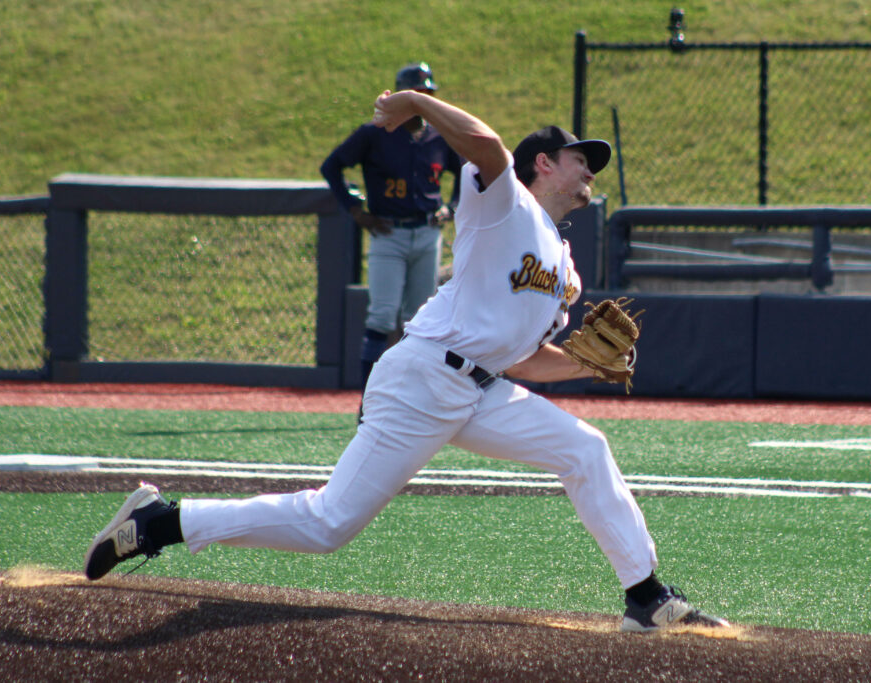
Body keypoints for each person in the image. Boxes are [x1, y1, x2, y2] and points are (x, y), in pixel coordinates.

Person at [83, 87, 730, 633]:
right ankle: (162, 522)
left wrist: (586, 365)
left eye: (593, 162)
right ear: (543, 163)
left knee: (584, 449)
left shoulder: (566, 273)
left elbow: (527, 360)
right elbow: (485, 146)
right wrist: (416, 101)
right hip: (422, 377)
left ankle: (645, 597)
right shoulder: (505, 204)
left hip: (480, 391)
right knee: (327, 524)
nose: (590, 168)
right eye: (579, 157)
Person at [320, 62, 461, 397]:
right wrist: (355, 210)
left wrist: (451, 207)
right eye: (415, 93)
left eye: (427, 93)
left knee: (419, 319)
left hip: (427, 232)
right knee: (382, 316)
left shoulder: (439, 133)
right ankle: (369, 397)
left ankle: (410, 394)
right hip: (388, 233)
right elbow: (332, 166)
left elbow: (467, 171)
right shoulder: (374, 133)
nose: (422, 99)